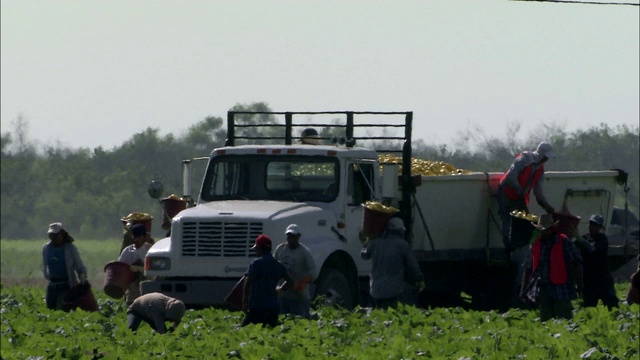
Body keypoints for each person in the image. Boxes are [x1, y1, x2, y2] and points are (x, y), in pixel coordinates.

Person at [498, 142, 556, 307]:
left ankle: (517, 246)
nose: (546, 160)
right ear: (540, 154)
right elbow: (510, 177)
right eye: (545, 157)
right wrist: (518, 190)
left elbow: (538, 191)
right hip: (507, 193)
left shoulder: (540, 170)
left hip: (519, 196)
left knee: (522, 220)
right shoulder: (524, 159)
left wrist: (546, 205)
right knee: (507, 219)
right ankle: (508, 247)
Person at [521, 214, 583, 321]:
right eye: (542, 230)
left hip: (562, 287)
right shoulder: (536, 244)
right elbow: (528, 268)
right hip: (544, 287)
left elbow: (576, 264)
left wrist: (580, 285)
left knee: (564, 318)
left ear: (552, 229)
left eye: (547, 229)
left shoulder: (563, 242)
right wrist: (523, 290)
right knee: (545, 319)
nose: (545, 232)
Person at [360, 217, 425, 310]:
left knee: (379, 316)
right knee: (392, 315)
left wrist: (367, 241)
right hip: (393, 290)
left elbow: (363, 255)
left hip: (376, 289)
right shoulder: (402, 245)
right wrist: (419, 279)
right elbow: (412, 265)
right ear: (400, 231)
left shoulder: (374, 243)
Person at [242, 234, 293, 327]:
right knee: (271, 333)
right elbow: (290, 282)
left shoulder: (256, 263)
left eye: (256, 249)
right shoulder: (278, 265)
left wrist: (245, 302)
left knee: (245, 330)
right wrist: (280, 290)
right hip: (273, 307)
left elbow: (248, 281)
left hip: (258, 307)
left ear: (259, 249)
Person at [573, 214, 618, 309]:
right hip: (589, 280)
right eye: (591, 224)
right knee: (589, 307)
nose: (591, 227)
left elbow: (593, 250)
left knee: (612, 305)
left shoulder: (602, 238)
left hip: (603, 279)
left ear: (600, 227)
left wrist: (579, 239)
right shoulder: (585, 238)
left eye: (595, 225)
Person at [273, 224, 318, 319]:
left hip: (299, 297)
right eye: (289, 236)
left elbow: (314, 271)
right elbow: (272, 266)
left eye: (293, 236)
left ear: (298, 237)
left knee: (301, 322)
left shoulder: (304, 252)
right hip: (283, 295)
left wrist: (305, 280)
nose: (291, 239)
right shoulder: (280, 249)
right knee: (282, 321)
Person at [42, 222, 88, 310]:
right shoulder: (46, 248)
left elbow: (78, 264)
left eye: (56, 235)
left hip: (66, 285)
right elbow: (45, 265)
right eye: (51, 235)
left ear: (62, 234)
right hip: (52, 285)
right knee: (50, 308)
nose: (53, 238)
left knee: (64, 309)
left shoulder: (70, 248)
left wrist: (82, 274)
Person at [118, 223, 152, 305]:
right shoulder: (127, 251)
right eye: (134, 237)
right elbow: (121, 267)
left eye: (139, 237)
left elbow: (154, 270)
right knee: (131, 305)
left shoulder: (150, 250)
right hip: (132, 287)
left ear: (144, 237)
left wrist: (139, 269)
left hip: (147, 286)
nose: (136, 239)